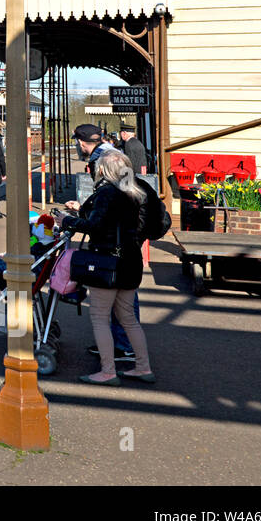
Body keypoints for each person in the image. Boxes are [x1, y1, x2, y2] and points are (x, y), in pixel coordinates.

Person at [60, 149, 156, 385]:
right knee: (128, 318)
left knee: (100, 318)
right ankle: (143, 367)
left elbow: (96, 226)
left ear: (103, 170)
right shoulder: (138, 191)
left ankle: (107, 371)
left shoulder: (107, 193)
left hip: (107, 263)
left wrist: (67, 221)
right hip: (131, 261)